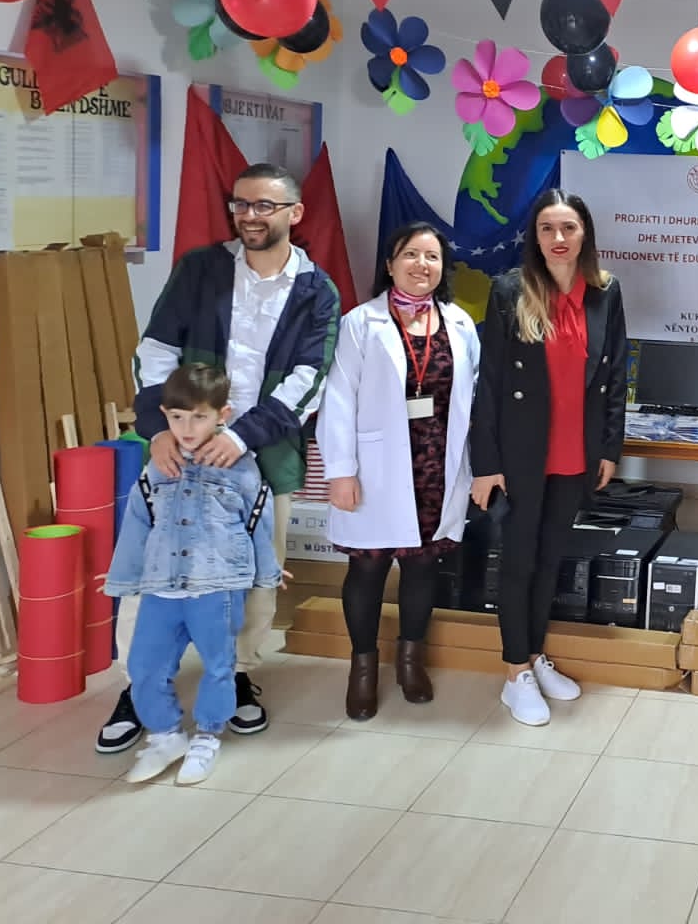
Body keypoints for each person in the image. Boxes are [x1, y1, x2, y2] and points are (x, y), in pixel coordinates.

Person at [96, 162, 340, 754]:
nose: (250, 216)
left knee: (254, 574)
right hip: (180, 443)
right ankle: (140, 685)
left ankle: (238, 674)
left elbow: (310, 377)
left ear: (294, 214)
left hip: (262, 452)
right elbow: (156, 349)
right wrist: (159, 428)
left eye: (264, 206)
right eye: (241, 204)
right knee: (155, 571)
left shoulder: (317, 291)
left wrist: (242, 437)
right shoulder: (201, 269)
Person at [470, 188, 627, 726]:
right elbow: (490, 383)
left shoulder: (605, 291)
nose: (558, 238)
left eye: (568, 228)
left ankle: (535, 655)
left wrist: (608, 448)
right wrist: (486, 464)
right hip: (520, 454)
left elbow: (615, 375)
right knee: (518, 562)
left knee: (549, 559)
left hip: (576, 452)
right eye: (547, 229)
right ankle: (514, 673)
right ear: (535, 237)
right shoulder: (510, 291)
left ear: (585, 233)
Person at [320, 223, 480, 720]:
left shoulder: (459, 323)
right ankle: (363, 669)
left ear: (442, 268)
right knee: (367, 568)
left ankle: (411, 662)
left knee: (422, 565)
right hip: (376, 467)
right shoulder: (360, 323)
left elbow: (475, 398)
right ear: (390, 265)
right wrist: (340, 471)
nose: (421, 265)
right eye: (410, 255)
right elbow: (338, 398)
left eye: (432, 257)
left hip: (436, 465)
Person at [102, 365, 282, 785]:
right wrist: (123, 576)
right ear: (164, 414)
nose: (186, 428)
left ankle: (207, 736)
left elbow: (259, 519)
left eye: (199, 417)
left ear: (222, 414)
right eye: (177, 417)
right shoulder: (156, 467)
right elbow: (137, 522)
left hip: (217, 587)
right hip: (161, 586)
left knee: (219, 665)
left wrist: (269, 572)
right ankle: (166, 735)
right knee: (145, 665)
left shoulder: (242, 468)